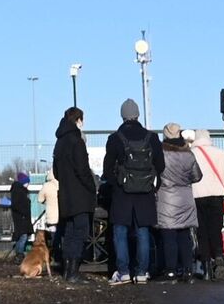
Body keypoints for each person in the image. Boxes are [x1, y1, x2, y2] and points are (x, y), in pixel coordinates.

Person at [102, 99, 161, 284]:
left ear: (122, 115)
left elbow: (107, 169)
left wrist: (117, 183)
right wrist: (151, 183)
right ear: (137, 115)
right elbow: (161, 165)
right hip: (145, 192)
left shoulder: (115, 138)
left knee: (120, 232)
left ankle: (123, 271)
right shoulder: (151, 138)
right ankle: (142, 272)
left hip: (122, 192)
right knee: (143, 231)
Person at [51, 107, 97, 283]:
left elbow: (55, 172)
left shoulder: (60, 141)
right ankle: (74, 271)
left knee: (69, 232)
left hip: (65, 194)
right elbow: (82, 169)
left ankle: (67, 269)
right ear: (79, 120)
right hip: (80, 195)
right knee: (80, 231)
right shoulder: (76, 141)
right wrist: (91, 187)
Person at [154, 124, 203, 282]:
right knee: (184, 236)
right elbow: (197, 176)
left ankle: (170, 270)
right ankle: (188, 270)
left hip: (166, 199)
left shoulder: (161, 153)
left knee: (169, 237)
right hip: (185, 198)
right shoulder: (188, 154)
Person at [187, 129, 224, 278]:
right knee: (215, 229)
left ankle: (206, 265)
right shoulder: (219, 152)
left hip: (197, 196)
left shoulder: (191, 153)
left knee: (201, 231)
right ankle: (218, 256)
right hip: (216, 196)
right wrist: (223, 182)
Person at [7, 172, 32, 260]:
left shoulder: (19, 191)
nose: (28, 184)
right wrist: (24, 212)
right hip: (21, 218)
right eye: (27, 182)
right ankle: (19, 254)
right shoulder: (19, 191)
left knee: (21, 236)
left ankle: (19, 254)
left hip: (22, 218)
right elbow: (17, 205)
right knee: (23, 236)